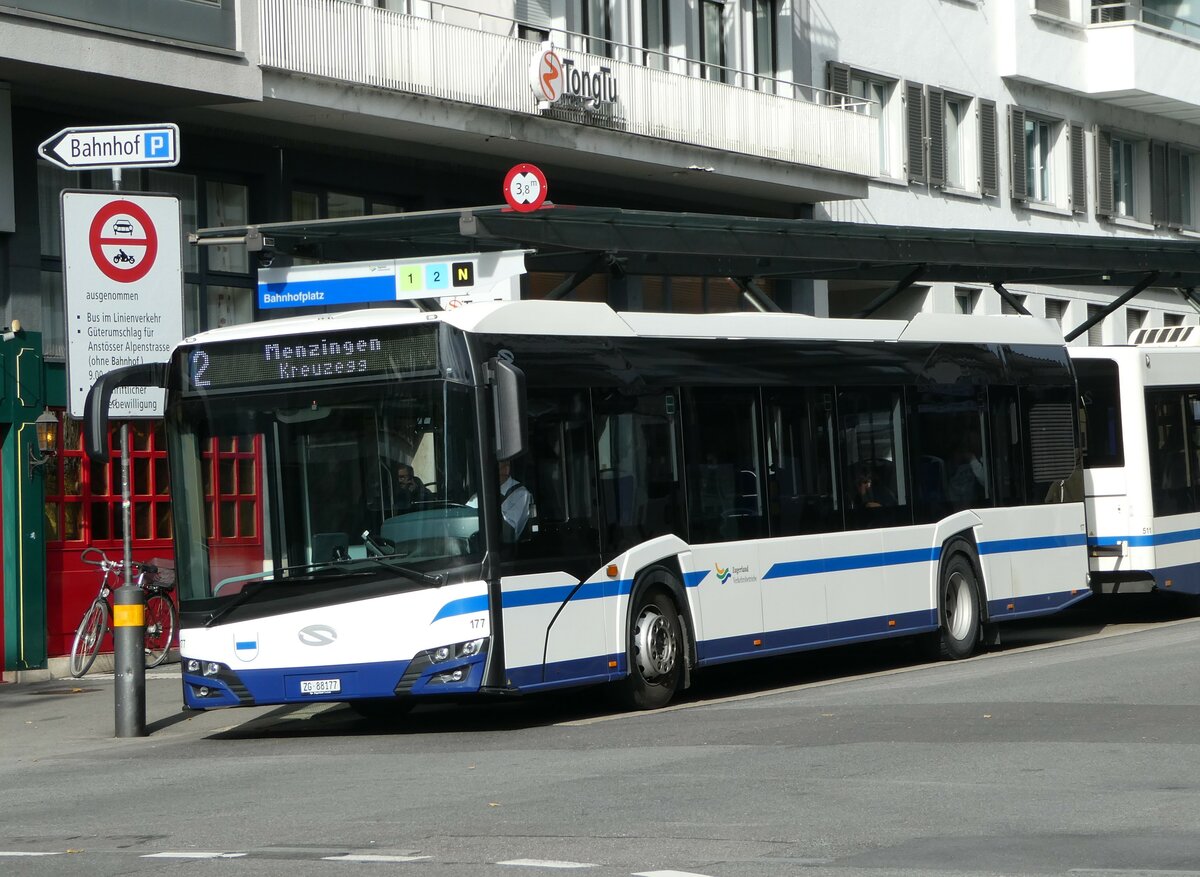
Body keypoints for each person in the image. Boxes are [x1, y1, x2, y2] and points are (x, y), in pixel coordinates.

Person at [468, 459, 534, 541]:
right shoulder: (480, 494)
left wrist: (489, 502)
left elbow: (509, 532)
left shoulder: (521, 494)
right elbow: (466, 518)